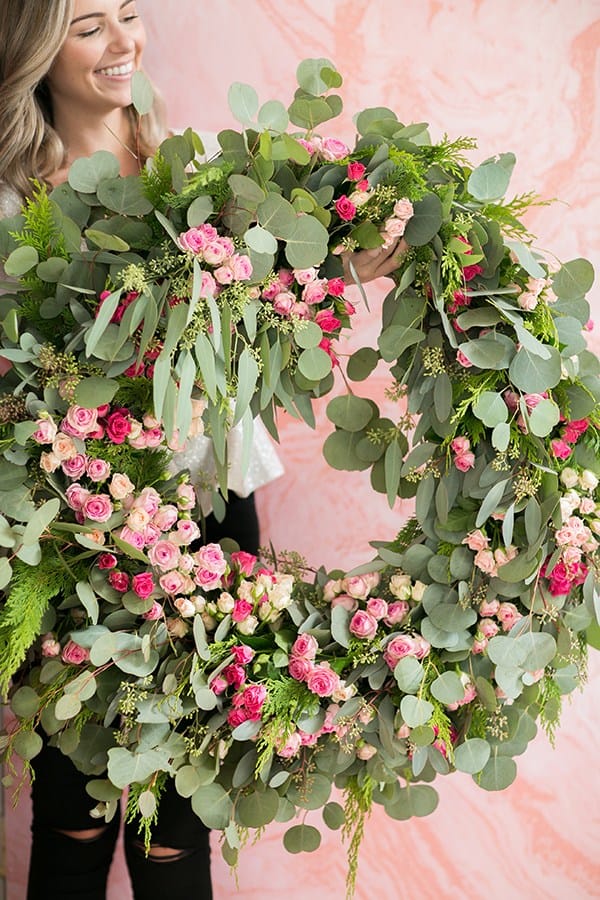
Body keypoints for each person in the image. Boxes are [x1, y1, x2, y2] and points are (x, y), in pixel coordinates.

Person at [0, 2, 406, 898]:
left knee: (182, 816)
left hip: (214, 507)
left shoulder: (196, 175)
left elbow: (256, 325)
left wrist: (339, 269)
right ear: (33, 48)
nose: (122, 42)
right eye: (88, 25)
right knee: (74, 809)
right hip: (77, 525)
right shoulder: (13, 200)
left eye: (129, 16)